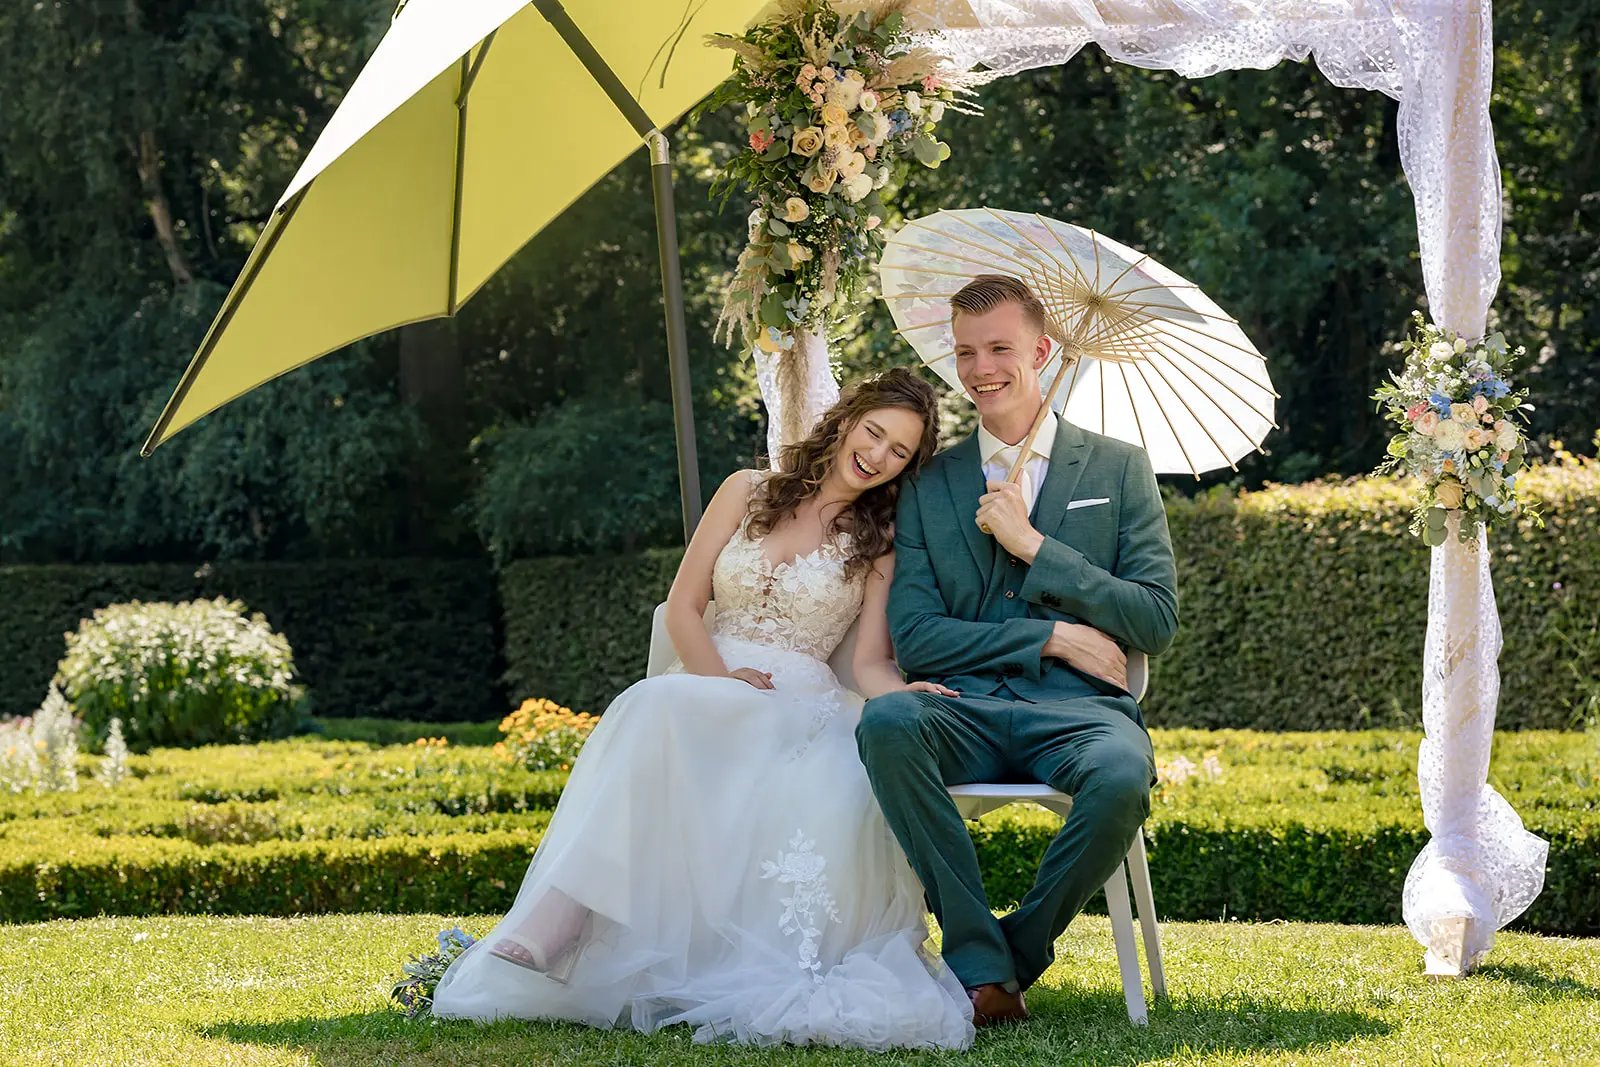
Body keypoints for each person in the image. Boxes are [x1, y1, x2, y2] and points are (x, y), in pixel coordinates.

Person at [433, 368, 976, 1050]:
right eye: (875, 433)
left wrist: (904, 693)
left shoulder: (879, 545)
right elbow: (684, 604)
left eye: (900, 451)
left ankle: (566, 918)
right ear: (846, 420)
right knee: (654, 703)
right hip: (710, 673)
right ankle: (565, 916)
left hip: (796, 705)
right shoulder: (746, 491)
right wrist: (721, 676)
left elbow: (867, 661)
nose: (879, 455)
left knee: (659, 707)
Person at [857, 274, 1179, 1026]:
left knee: (1124, 773)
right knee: (886, 725)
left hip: (1078, 712)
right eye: (966, 352)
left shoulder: (1119, 468)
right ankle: (983, 962)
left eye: (999, 347)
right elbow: (918, 636)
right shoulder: (928, 484)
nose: (980, 369)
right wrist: (1053, 634)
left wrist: (1036, 548)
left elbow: (1155, 619)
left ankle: (1006, 958)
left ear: (1041, 350)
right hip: (959, 708)